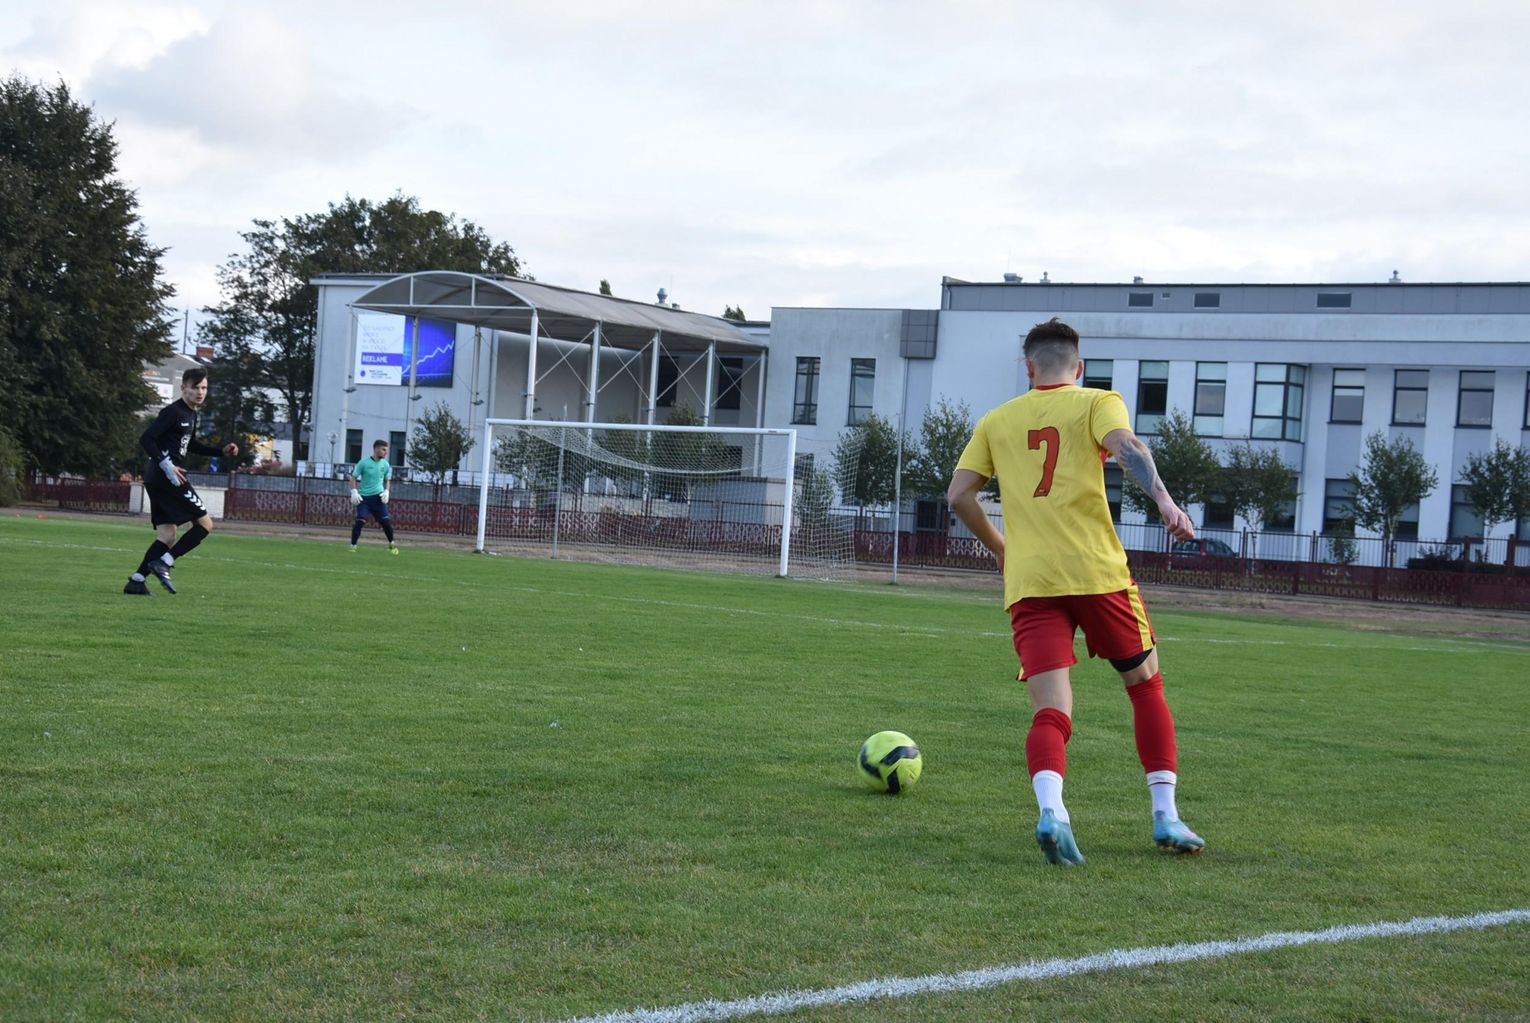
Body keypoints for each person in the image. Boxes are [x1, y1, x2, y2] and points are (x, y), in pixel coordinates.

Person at [946, 317, 1205, 866]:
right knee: (1145, 685)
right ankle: (1165, 815)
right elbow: (1126, 446)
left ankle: (1052, 811)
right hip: (1097, 573)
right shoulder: (1097, 401)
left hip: (1032, 582)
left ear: (1029, 368)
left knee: (1051, 710)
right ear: (1079, 367)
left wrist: (1000, 547)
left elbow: (959, 495)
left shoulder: (996, 420)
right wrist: (1164, 501)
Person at [124, 367, 237, 595]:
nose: (200, 392)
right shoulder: (173, 412)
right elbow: (146, 438)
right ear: (183, 387)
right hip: (169, 478)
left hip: (157, 478)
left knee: (167, 535)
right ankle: (164, 562)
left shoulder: (191, 414)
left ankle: (136, 581)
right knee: (205, 525)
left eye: (204, 387)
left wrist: (220, 451)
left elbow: (191, 445)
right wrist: (166, 464)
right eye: (195, 387)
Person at [349, 439, 399, 554]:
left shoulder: (385, 464)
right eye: (383, 450)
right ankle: (353, 546)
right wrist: (354, 492)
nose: (386, 452)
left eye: (386, 450)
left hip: (378, 498)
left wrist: (387, 491)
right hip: (364, 499)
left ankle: (392, 544)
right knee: (360, 521)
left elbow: (387, 480)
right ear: (376, 449)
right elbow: (353, 477)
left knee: (385, 522)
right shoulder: (363, 463)